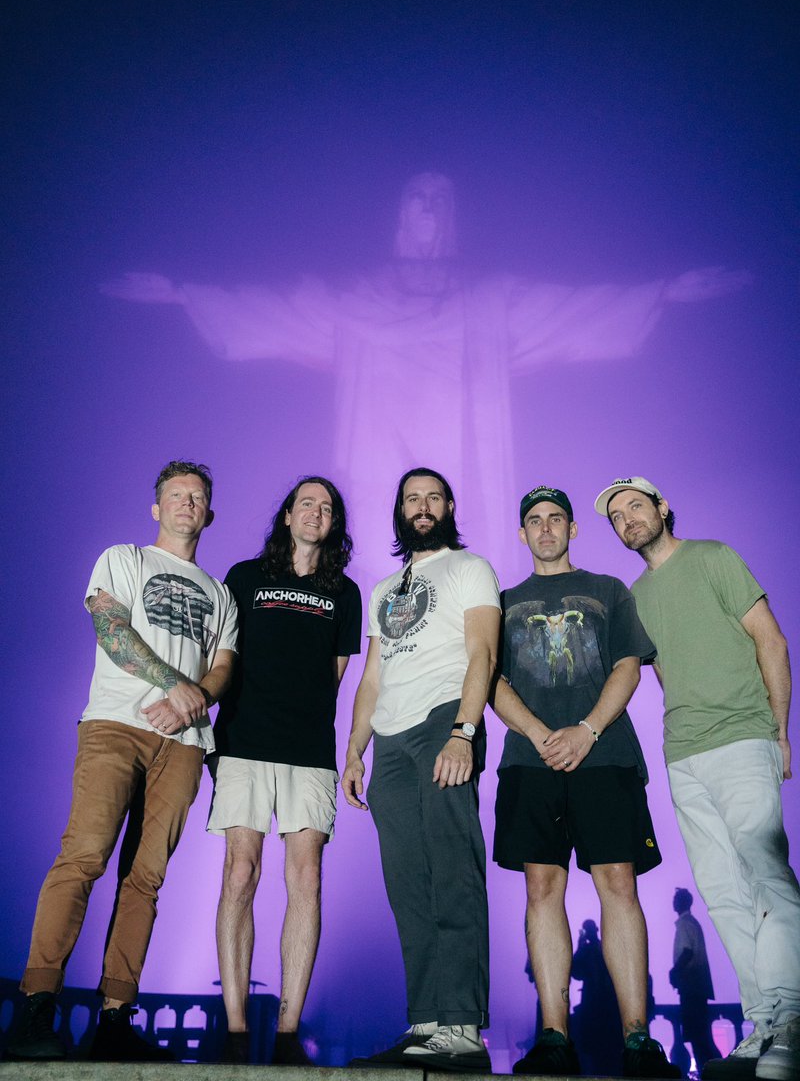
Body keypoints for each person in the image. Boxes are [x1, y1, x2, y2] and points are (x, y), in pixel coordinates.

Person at [105, 173, 744, 576]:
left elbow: (573, 310)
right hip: (382, 455)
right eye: (419, 201)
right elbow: (275, 310)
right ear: (400, 219)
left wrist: (663, 292)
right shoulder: (356, 302)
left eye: (443, 202)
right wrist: (185, 293)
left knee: (461, 560)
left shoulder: (488, 301)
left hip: (464, 462)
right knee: (388, 553)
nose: (431, 212)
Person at [8, 461, 238, 1062]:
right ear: (156, 509)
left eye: (198, 496)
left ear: (209, 513)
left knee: (146, 880)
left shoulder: (219, 593)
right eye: (176, 495)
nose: (188, 503)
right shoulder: (124, 559)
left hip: (185, 745)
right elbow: (111, 629)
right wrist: (173, 685)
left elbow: (223, 665)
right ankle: (38, 1005)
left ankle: (115, 1017)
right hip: (116, 725)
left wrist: (199, 697)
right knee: (83, 855)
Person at [596, 476, 800, 1081]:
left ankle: (790, 1021)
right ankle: (762, 1021)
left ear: (662, 508)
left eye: (637, 505)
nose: (628, 518)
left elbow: (771, 638)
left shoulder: (713, 556)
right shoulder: (634, 596)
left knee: (768, 877)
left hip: (744, 738)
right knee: (721, 892)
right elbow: (662, 674)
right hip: (684, 754)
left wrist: (780, 730)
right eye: (616, 515)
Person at [491, 485, 678, 1078]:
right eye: (534, 521)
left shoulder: (608, 591)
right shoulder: (503, 601)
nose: (545, 529)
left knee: (618, 885)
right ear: (522, 534)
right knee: (542, 889)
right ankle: (554, 1038)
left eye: (555, 519)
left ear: (573, 529)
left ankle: (637, 1038)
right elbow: (491, 680)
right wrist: (543, 734)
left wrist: (586, 730)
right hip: (530, 761)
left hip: (605, 757)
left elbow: (628, 664)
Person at [342, 467, 500, 1072]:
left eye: (433, 497)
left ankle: (462, 1027)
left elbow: (482, 651)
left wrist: (464, 730)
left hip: (442, 721)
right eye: (412, 498)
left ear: (449, 506)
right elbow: (372, 677)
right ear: (400, 510)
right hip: (390, 740)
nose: (423, 506)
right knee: (407, 881)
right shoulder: (385, 588)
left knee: (452, 869)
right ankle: (426, 1022)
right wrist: (355, 750)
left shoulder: (469, 567)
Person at [207, 476, 361, 1065]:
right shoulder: (245, 578)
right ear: (288, 515)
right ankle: (238, 1030)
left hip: (309, 754)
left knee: (306, 881)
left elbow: (336, 674)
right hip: (243, 743)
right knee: (240, 875)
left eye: (327, 507)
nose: (316, 513)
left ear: (334, 523)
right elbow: (221, 655)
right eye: (307, 504)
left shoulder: (344, 593)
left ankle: (291, 1032)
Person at [669, 888, 721, 1073]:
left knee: (697, 1037)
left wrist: (674, 972)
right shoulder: (692, 923)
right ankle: (708, 1071)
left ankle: (707, 1072)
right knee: (700, 1036)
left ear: (682, 902)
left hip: (690, 987)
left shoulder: (684, 924)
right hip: (697, 986)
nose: (673, 902)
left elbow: (687, 951)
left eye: (676, 899)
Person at [571, 918, 624, 1076]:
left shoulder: (591, 950)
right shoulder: (601, 948)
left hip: (597, 1004)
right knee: (603, 1050)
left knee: (598, 1050)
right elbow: (576, 972)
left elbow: (575, 972)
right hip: (604, 1004)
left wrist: (579, 946)